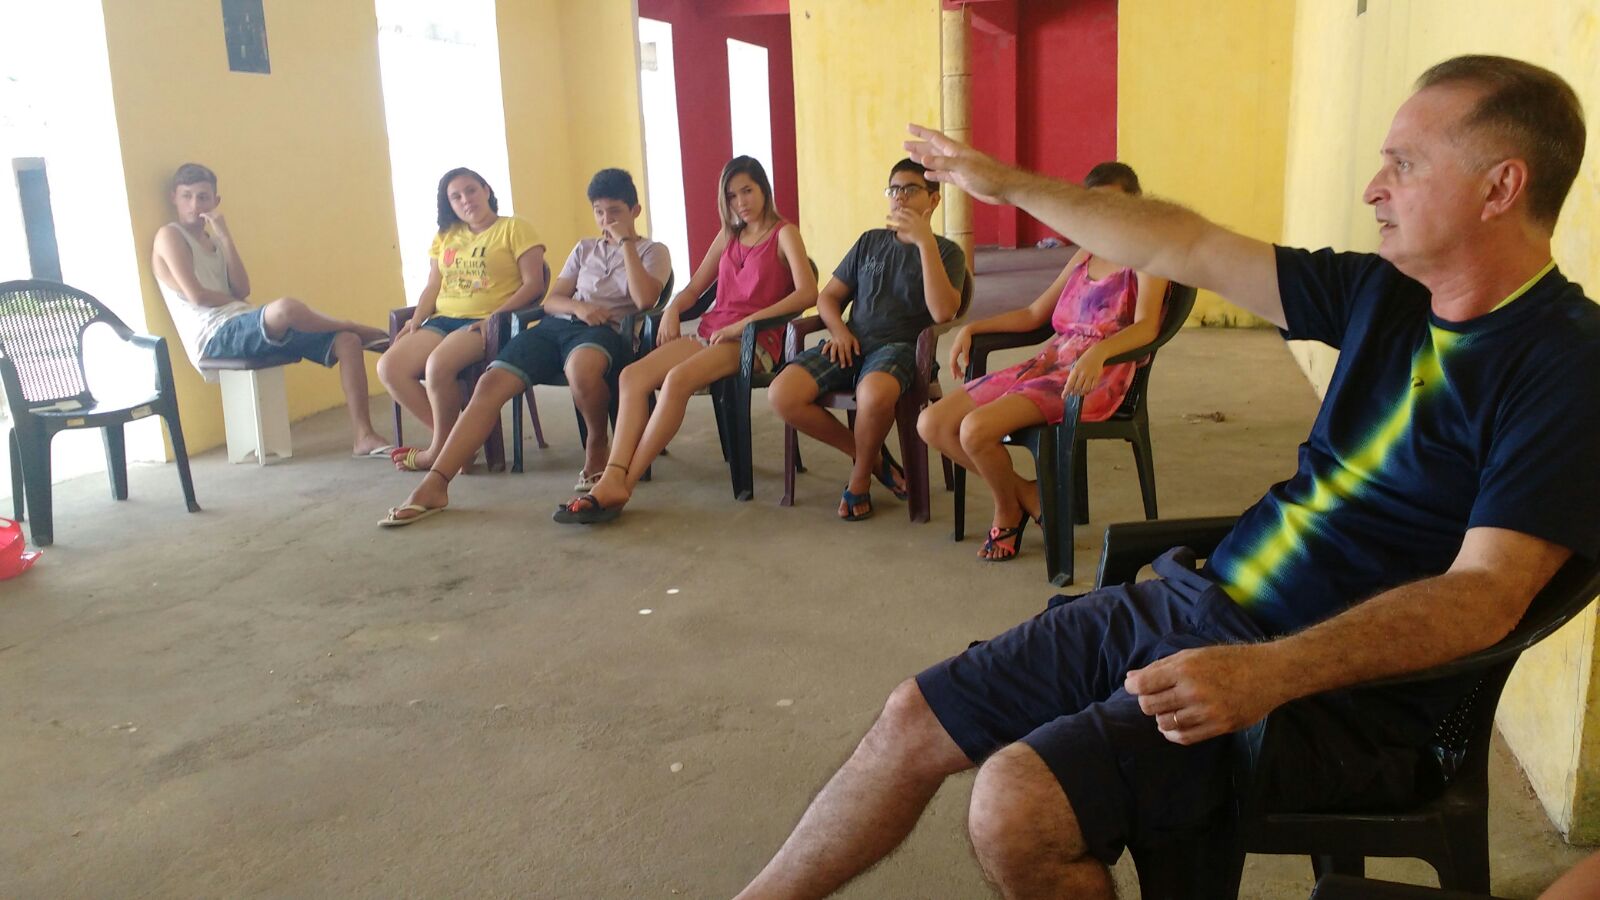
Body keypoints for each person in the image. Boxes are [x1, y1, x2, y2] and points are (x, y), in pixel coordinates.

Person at [735, 55, 1599, 899]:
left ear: (1500, 187)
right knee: (911, 716)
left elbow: (1485, 594)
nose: (1374, 188)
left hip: (1335, 697)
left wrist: (1270, 672)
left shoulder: (1568, 366)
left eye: (1404, 165)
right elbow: (1184, 241)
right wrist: (1008, 185)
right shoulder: (1389, 291)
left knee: (1015, 806)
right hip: (1202, 603)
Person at [378, 168, 670, 527]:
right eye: (599, 212)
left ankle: (596, 442)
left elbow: (645, 299)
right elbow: (552, 300)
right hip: (557, 327)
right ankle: (435, 484)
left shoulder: (654, 251)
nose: (606, 220)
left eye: (615, 212)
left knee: (580, 370)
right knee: (490, 383)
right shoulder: (584, 248)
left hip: (607, 332)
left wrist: (626, 244)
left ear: (635, 211)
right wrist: (579, 307)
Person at [919, 161, 1168, 561]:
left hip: (1094, 378)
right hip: (1049, 363)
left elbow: (1147, 327)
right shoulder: (1086, 254)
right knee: (932, 423)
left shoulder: (1147, 257)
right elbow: (1036, 313)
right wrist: (974, 327)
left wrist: (1100, 352)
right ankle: (1029, 495)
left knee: (974, 430)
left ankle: (1007, 509)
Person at [554, 156, 818, 524]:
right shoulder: (729, 235)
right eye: (731, 196)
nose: (741, 202)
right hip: (712, 330)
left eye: (747, 191)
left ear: (764, 190)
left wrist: (744, 325)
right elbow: (694, 289)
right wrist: (674, 310)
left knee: (677, 380)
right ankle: (613, 475)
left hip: (754, 340)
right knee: (632, 376)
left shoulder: (784, 233)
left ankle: (621, 485)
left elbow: (807, 293)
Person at [766, 159, 967, 521]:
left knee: (873, 394)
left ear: (934, 200)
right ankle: (873, 460)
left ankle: (859, 480)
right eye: (894, 190)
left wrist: (924, 243)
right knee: (782, 393)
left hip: (901, 350)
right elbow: (828, 298)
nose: (899, 197)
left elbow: (942, 313)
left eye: (910, 190)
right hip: (851, 342)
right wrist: (839, 331)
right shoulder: (870, 241)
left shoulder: (947, 252)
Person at [151, 162, 394, 458]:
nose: (194, 205)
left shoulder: (212, 240)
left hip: (242, 323)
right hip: (214, 336)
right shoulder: (169, 235)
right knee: (286, 308)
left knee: (347, 342)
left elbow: (242, 289)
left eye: (202, 197)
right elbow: (197, 296)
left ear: (215, 201)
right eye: (186, 196)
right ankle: (355, 325)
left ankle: (364, 436)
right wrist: (242, 306)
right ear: (173, 197)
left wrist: (225, 236)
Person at [376, 167, 546, 472]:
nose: (466, 200)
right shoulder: (446, 235)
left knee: (438, 366)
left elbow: (534, 284)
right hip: (442, 319)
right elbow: (433, 285)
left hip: (485, 322)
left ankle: (440, 452)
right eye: (456, 197)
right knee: (389, 367)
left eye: (471, 190)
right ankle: (458, 446)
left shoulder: (514, 228)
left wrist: (495, 317)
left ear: (486, 190)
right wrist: (416, 320)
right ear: (449, 204)